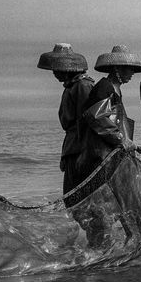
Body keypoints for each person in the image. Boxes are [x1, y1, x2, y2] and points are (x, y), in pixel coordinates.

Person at [79, 45, 141, 178]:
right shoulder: (104, 88)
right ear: (117, 68)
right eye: (129, 68)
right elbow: (96, 117)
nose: (132, 73)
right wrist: (121, 139)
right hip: (100, 155)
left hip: (111, 151)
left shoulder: (116, 89)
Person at [37, 43, 95, 194]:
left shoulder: (82, 86)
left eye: (58, 69)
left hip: (79, 149)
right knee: (72, 195)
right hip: (73, 148)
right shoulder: (72, 87)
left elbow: (87, 122)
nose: (55, 73)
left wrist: (84, 153)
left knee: (78, 195)